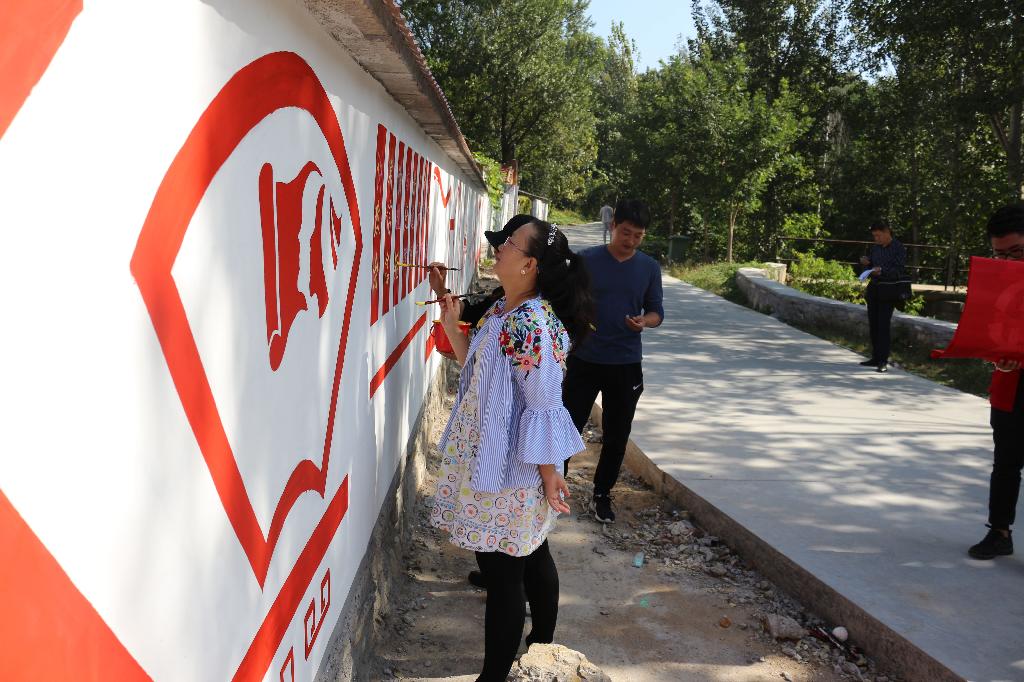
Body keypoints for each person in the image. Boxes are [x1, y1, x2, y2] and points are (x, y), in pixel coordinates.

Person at [430, 216, 593, 680]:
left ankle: (496, 674)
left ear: (530, 265)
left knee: (503, 574)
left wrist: (549, 474)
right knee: (528, 553)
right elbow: (477, 368)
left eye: (511, 243)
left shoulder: (530, 324)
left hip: (513, 468)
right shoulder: (504, 308)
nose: (500, 246)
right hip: (497, 458)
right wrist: (451, 321)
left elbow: (543, 405)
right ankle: (541, 643)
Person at [562, 199, 664, 524]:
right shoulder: (586, 261)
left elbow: (656, 312)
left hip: (625, 363)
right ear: (613, 226)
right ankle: (552, 485)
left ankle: (602, 494)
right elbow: (565, 302)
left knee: (617, 434)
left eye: (638, 235)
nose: (630, 240)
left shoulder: (649, 268)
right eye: (625, 232)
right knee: (566, 426)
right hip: (585, 359)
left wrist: (644, 321)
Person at [968, 203, 1024, 560]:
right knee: (1006, 462)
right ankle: (999, 533)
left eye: (1016, 252)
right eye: (999, 255)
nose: (1008, 262)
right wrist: (997, 358)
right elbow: (991, 332)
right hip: (1011, 386)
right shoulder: (1001, 284)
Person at [859, 220, 906, 373]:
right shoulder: (876, 248)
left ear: (887, 232)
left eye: (878, 235)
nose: (876, 239)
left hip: (889, 290)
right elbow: (872, 264)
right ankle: (875, 357)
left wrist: (882, 271)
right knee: (873, 324)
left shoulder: (898, 248)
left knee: (883, 325)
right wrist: (867, 263)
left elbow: (899, 269)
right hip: (874, 289)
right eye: (874, 236)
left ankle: (883, 361)